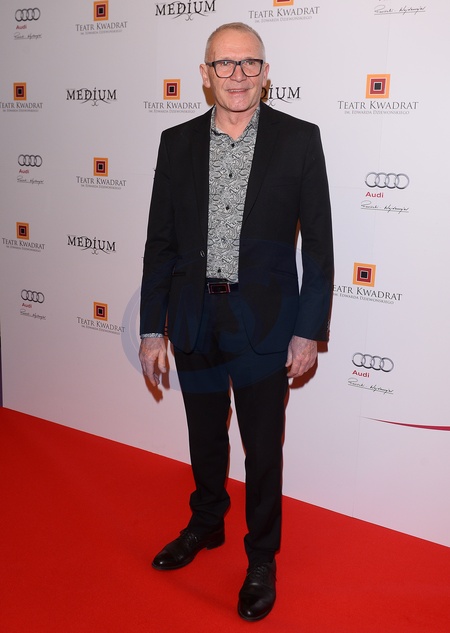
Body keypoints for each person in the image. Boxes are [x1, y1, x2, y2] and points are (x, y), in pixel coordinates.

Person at [139, 22, 333, 622]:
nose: (238, 75)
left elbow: (319, 248)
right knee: (204, 434)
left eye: (250, 63)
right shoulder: (176, 143)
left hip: (267, 322)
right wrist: (151, 328)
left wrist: (308, 330)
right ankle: (206, 523)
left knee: (262, 447)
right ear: (205, 74)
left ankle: (262, 556)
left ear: (266, 72)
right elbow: (160, 243)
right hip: (193, 316)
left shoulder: (299, 140)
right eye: (225, 64)